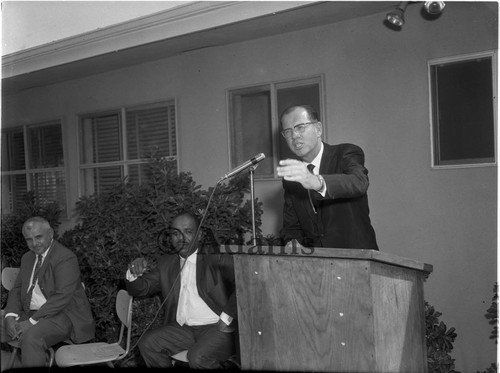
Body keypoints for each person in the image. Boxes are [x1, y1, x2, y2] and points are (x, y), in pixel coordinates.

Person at [126, 212, 237, 369]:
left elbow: (245, 284)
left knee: (197, 357)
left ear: (199, 235)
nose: (181, 238)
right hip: (184, 329)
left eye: (188, 232)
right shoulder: (167, 263)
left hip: (217, 328)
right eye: (175, 233)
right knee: (148, 343)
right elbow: (140, 288)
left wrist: (227, 318)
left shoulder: (216, 257)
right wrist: (133, 273)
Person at [277, 104, 378, 250]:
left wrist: (318, 182)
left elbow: (359, 182)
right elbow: (291, 226)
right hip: (317, 264)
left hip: (358, 258)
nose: (294, 136)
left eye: (300, 127)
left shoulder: (346, 153)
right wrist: (292, 242)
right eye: (287, 131)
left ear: (318, 129)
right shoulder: (291, 177)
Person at [2, 216, 95, 367]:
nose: (34, 244)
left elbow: (62, 297)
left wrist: (31, 322)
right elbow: (17, 289)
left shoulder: (65, 257)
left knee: (31, 337)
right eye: (29, 239)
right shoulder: (28, 257)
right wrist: (10, 317)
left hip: (63, 314)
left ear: (50, 233)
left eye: (38, 237)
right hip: (31, 311)